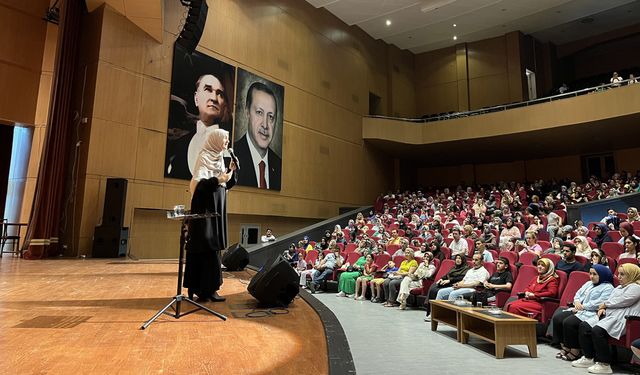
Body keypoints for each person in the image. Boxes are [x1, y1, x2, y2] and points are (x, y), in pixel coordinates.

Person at [184, 129, 237, 302]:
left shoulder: (220, 159)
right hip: (205, 211)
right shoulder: (204, 157)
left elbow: (224, 185)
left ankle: (209, 288)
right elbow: (201, 186)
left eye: (228, 140)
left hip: (217, 209)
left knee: (213, 248)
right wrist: (220, 179)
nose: (227, 143)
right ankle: (202, 289)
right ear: (215, 140)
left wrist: (231, 173)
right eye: (225, 139)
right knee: (206, 246)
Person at [571, 264, 640, 373]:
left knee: (597, 331)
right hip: (610, 315)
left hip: (624, 319)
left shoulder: (636, 287)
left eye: (623, 274)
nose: (619, 277)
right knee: (584, 326)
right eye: (619, 274)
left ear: (632, 275)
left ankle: (604, 364)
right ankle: (589, 358)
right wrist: (603, 309)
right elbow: (610, 301)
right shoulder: (619, 287)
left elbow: (622, 301)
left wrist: (604, 305)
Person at [166, 73, 232, 179]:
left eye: (220, 94)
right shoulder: (180, 145)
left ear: (224, 105)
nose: (214, 98)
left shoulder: (232, 145)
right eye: (208, 90)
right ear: (196, 99)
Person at [550, 264, 614, 361]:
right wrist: (577, 302)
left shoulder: (608, 287)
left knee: (569, 322)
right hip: (579, 309)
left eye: (595, 274)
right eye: (590, 274)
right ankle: (565, 347)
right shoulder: (588, 283)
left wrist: (583, 306)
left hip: (591, 312)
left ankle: (575, 350)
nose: (591, 276)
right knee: (558, 318)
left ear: (602, 275)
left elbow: (600, 303)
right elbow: (578, 293)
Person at [234, 82, 282, 190]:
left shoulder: (279, 165)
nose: (265, 125)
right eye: (259, 112)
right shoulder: (231, 157)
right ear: (247, 112)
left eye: (270, 117)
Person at [424, 254, 470, 321]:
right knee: (433, 288)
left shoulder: (466, 268)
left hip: (454, 283)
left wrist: (449, 280)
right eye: (457, 258)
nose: (457, 260)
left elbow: (461, 278)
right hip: (447, 282)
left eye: (459, 258)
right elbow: (447, 275)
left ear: (463, 260)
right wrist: (441, 279)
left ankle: (437, 314)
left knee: (436, 291)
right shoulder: (454, 267)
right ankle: (430, 312)